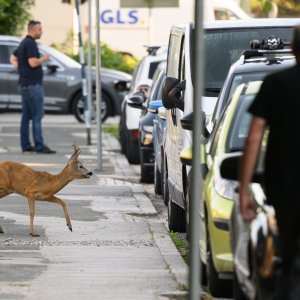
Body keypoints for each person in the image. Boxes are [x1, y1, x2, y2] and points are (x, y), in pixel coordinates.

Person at [239, 25, 300, 299]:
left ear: (294, 49)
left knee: (289, 255)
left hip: (286, 188)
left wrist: (244, 190)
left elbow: (253, 138)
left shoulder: (276, 84)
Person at [10, 20, 56, 154]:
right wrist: (43, 59)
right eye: (39, 30)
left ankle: (25, 146)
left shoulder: (24, 42)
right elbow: (32, 63)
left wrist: (21, 69)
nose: (42, 32)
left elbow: (12, 58)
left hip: (25, 83)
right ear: (32, 30)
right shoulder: (30, 43)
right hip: (32, 85)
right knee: (37, 115)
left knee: (26, 116)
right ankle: (39, 146)